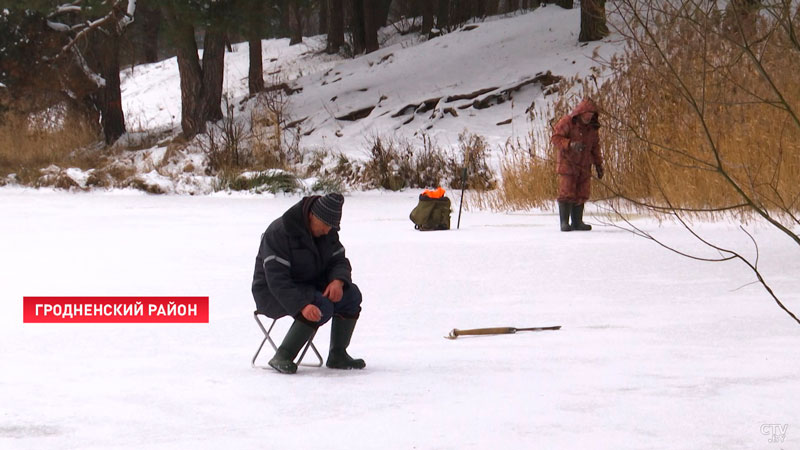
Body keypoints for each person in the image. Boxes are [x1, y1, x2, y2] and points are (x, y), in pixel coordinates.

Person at [251, 193, 365, 374]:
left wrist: (338, 281)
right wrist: (301, 305)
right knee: (321, 304)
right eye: (326, 225)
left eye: (332, 227)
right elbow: (277, 280)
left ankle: (338, 354)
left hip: (309, 286)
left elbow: (339, 261)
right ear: (313, 215)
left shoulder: (327, 232)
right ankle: (283, 355)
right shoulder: (279, 232)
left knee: (351, 295)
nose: (328, 231)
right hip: (272, 294)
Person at [550, 97, 605, 232]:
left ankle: (577, 222)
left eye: (592, 115)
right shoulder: (567, 122)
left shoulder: (592, 128)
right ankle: (564, 222)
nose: (589, 117)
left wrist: (598, 164)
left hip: (585, 165)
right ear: (580, 113)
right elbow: (555, 138)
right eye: (587, 114)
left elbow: (595, 147)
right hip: (568, 164)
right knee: (566, 192)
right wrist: (570, 144)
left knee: (582, 193)